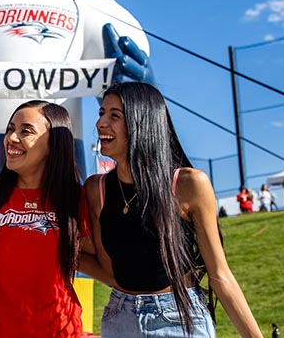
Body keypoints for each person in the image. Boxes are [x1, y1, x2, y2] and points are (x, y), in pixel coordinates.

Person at [86, 82, 263, 337]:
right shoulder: (96, 190)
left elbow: (220, 275)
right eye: (102, 113)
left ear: (142, 122)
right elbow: (109, 272)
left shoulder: (188, 184)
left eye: (115, 115)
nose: (101, 123)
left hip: (178, 318)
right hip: (118, 318)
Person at [0, 100, 95, 337]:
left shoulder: (76, 198)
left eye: (26, 131)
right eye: (10, 129)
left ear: (54, 143)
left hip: (61, 331)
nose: (11, 138)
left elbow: (98, 261)